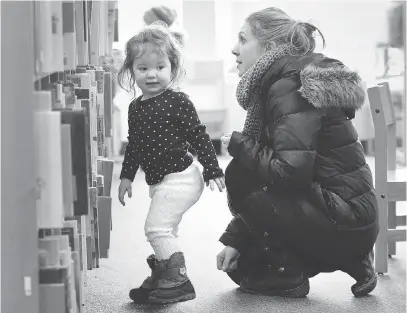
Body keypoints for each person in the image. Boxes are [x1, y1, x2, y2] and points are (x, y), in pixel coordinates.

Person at [216, 7, 379, 298]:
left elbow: (289, 174)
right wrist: (236, 240)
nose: (234, 49)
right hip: (355, 219)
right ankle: (354, 258)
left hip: (342, 220)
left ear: (270, 47)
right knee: (242, 268)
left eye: (242, 39)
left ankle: (288, 275)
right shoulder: (292, 76)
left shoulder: (288, 86)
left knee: (240, 172)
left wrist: (240, 145)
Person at [117, 22, 225, 305]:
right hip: (159, 180)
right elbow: (135, 145)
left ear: (172, 69)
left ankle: (178, 280)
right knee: (165, 229)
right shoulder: (135, 108)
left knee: (157, 229)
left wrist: (213, 170)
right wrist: (126, 177)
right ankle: (161, 276)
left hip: (182, 177)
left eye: (160, 67)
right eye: (143, 69)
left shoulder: (177, 101)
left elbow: (199, 136)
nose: (151, 74)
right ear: (132, 71)